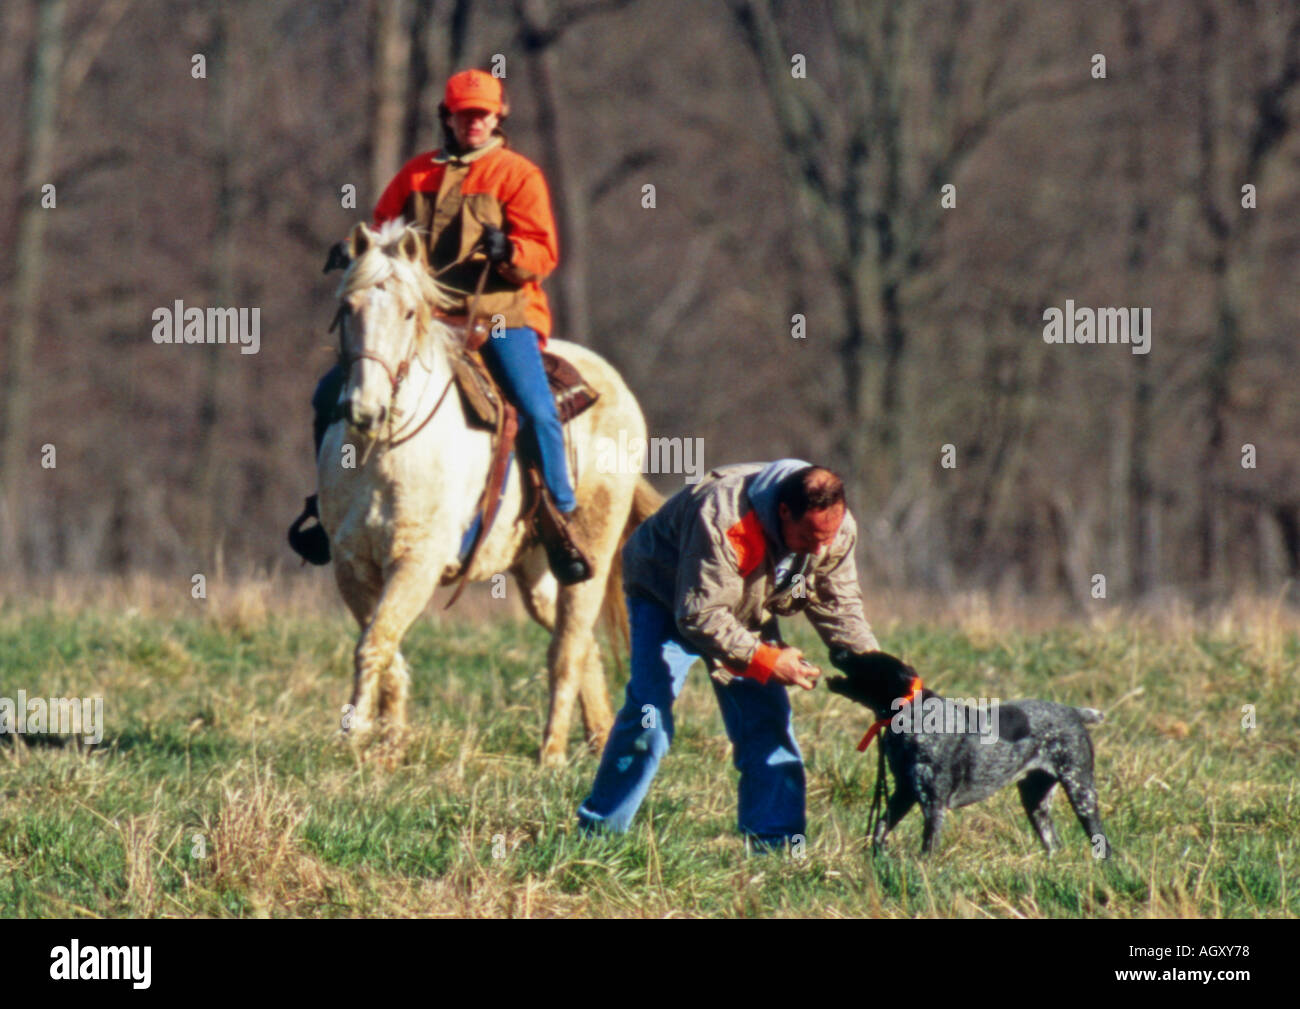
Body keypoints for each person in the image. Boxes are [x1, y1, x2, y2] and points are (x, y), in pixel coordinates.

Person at [291, 68, 590, 584]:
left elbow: (545, 253)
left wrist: (509, 251)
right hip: (427, 318)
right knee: (328, 395)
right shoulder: (416, 174)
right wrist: (352, 251)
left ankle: (560, 517)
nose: (473, 122)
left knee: (535, 407)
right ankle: (331, 507)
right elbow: (382, 233)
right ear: (446, 117)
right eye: (463, 113)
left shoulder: (518, 174)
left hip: (500, 315)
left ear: (498, 115)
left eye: (482, 113)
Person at [576, 460, 882, 849]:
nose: (822, 547)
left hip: (744, 611)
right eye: (810, 537)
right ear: (783, 512)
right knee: (649, 721)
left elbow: (838, 606)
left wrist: (880, 679)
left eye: (829, 536)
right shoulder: (724, 515)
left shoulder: (834, 530)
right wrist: (768, 660)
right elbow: (699, 615)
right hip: (665, 599)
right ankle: (597, 837)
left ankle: (776, 848)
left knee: (766, 722)